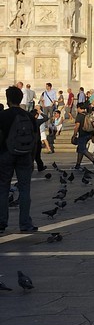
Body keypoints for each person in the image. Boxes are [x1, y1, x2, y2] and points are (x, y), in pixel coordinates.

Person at [0, 86, 38, 232]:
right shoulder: (28, 115)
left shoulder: (3, 115)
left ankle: (2, 222)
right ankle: (25, 223)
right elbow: (34, 139)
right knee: (24, 190)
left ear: (8, 99)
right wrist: (32, 158)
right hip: (25, 155)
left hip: (5, 154)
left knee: (3, 188)